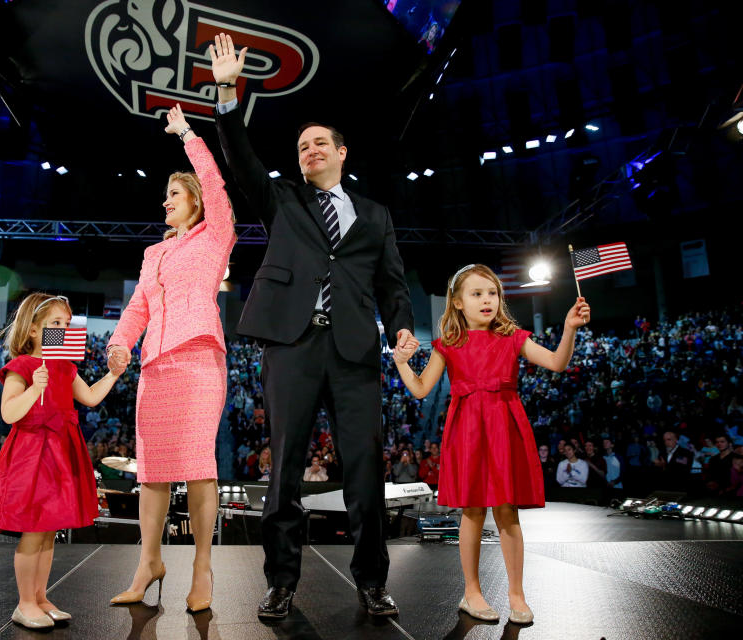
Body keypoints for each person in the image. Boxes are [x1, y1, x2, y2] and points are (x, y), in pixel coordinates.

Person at [211, 33, 415, 619]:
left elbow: (393, 285)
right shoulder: (281, 201)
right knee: (285, 473)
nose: (310, 150)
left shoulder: (375, 216)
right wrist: (228, 92)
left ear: (343, 152)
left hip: (354, 353)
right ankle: (280, 581)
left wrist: (401, 327)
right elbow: (241, 157)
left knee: (364, 472)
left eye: (321, 143)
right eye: (302, 146)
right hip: (292, 349)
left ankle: (372, 581)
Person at [393, 263, 590, 625]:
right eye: (477, 293)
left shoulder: (513, 336)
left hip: (505, 426)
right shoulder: (447, 345)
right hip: (467, 429)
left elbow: (557, 363)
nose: (487, 300)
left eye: (493, 293)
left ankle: (517, 594)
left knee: (507, 510)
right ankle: (472, 593)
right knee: (472, 511)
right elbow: (421, 389)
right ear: (457, 303)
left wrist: (568, 329)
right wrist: (402, 364)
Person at [106, 104, 236, 615]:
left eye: (174, 195)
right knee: (152, 470)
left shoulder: (215, 233)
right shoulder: (153, 254)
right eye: (165, 197)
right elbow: (138, 305)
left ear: (197, 202)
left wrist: (186, 134)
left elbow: (216, 184)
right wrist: (120, 342)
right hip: (154, 366)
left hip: (200, 359)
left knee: (200, 466)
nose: (165, 203)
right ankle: (149, 562)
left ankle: (203, 565)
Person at [0, 292, 125, 629]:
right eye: (55, 324)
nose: (63, 328)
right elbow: (8, 413)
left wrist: (114, 374)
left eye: (67, 322)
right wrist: (34, 389)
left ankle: (39, 597)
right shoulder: (21, 367)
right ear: (34, 330)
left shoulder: (64, 366)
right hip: (32, 454)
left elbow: (90, 398)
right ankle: (24, 603)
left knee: (49, 532)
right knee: (34, 531)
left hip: (62, 451)